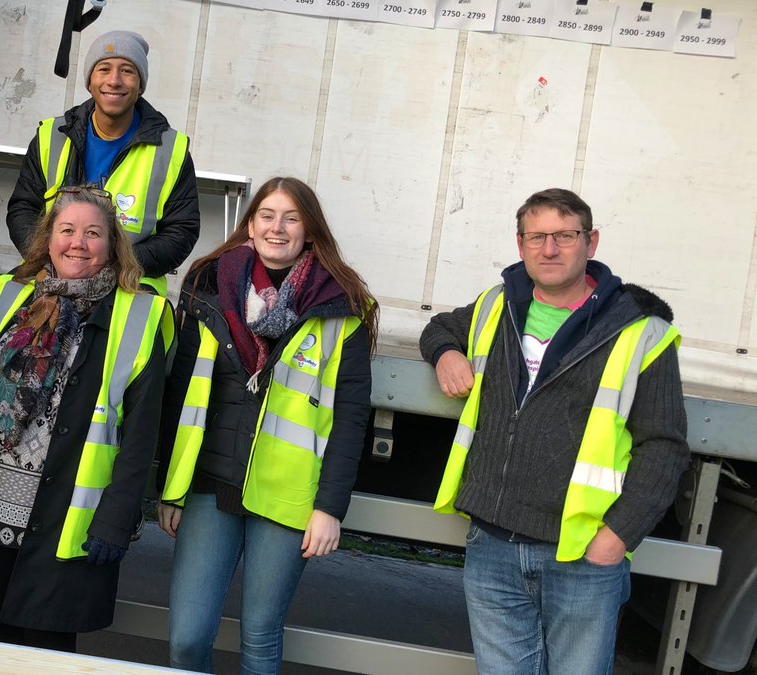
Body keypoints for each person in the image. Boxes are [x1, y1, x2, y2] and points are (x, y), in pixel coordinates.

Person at [420, 188, 690, 674]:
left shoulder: (638, 331)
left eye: (565, 236)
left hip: (583, 554)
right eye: (537, 236)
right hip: (492, 545)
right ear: (520, 243)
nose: (549, 249)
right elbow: (439, 326)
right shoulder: (496, 305)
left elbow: (664, 447)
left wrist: (618, 536)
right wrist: (446, 352)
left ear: (592, 242)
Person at [0, 184, 171, 652]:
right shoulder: (11, 295)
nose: (77, 243)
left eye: (92, 233)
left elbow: (141, 437)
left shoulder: (140, 314)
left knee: (48, 653)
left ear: (112, 245)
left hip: (67, 519)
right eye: (67, 230)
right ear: (48, 237)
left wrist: (116, 520)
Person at [157, 176, 378, 674]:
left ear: (310, 230)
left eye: (292, 217)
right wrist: (168, 488)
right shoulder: (208, 285)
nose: (278, 228)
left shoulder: (340, 306)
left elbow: (349, 419)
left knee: (259, 637)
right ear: (250, 224)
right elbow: (181, 395)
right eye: (267, 215)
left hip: (287, 494)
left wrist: (329, 509)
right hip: (210, 485)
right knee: (187, 639)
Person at [6, 30, 200, 295]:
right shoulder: (51, 136)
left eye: (128, 71)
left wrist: (118, 264)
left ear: (140, 84)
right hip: (49, 273)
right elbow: (23, 208)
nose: (114, 80)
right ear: (89, 80)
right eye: (104, 69)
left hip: (129, 284)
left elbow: (181, 231)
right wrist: (54, 259)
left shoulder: (171, 150)